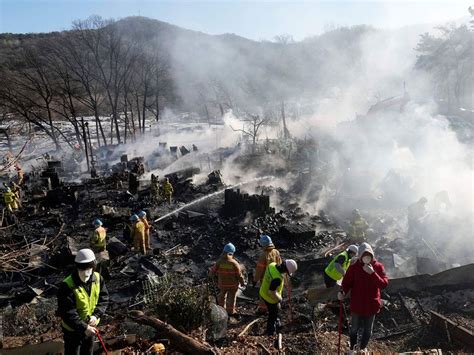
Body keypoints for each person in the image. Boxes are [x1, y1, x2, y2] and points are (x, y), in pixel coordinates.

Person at [57, 249, 109, 355]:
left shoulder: (98, 279)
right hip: (73, 330)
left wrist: (96, 315)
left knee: (88, 352)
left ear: (93, 266)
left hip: (91, 327)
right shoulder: (67, 285)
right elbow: (67, 312)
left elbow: (103, 299)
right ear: (77, 267)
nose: (86, 272)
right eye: (82, 269)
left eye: (88, 268)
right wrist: (84, 327)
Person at [339, 242, 388, 352]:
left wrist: (372, 273)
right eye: (364, 255)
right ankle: (352, 349)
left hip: (372, 304)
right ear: (360, 256)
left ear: (372, 255)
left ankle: (362, 349)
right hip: (357, 304)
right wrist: (342, 291)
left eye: (369, 255)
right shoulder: (354, 267)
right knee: (354, 329)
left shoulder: (378, 267)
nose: (367, 258)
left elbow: (384, 284)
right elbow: (347, 282)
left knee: (368, 330)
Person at [259, 259, 298, 336]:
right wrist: (279, 299)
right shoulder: (277, 278)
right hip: (270, 298)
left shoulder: (272, 265)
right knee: (272, 315)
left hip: (262, 291)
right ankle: (270, 332)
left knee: (275, 311)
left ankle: (277, 321)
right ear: (285, 270)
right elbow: (271, 292)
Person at [209, 243, 245, 317]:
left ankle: (222, 311)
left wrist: (210, 275)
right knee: (232, 298)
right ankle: (230, 312)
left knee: (221, 297)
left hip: (222, 284)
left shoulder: (219, 262)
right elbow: (239, 275)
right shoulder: (234, 263)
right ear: (231, 253)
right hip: (233, 285)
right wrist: (242, 283)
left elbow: (212, 272)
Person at [253, 235, 282, 314]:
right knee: (274, 293)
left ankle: (263, 310)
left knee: (263, 294)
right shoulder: (276, 252)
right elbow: (280, 265)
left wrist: (255, 280)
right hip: (275, 278)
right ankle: (275, 307)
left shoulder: (264, 255)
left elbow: (259, 269)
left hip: (266, 279)